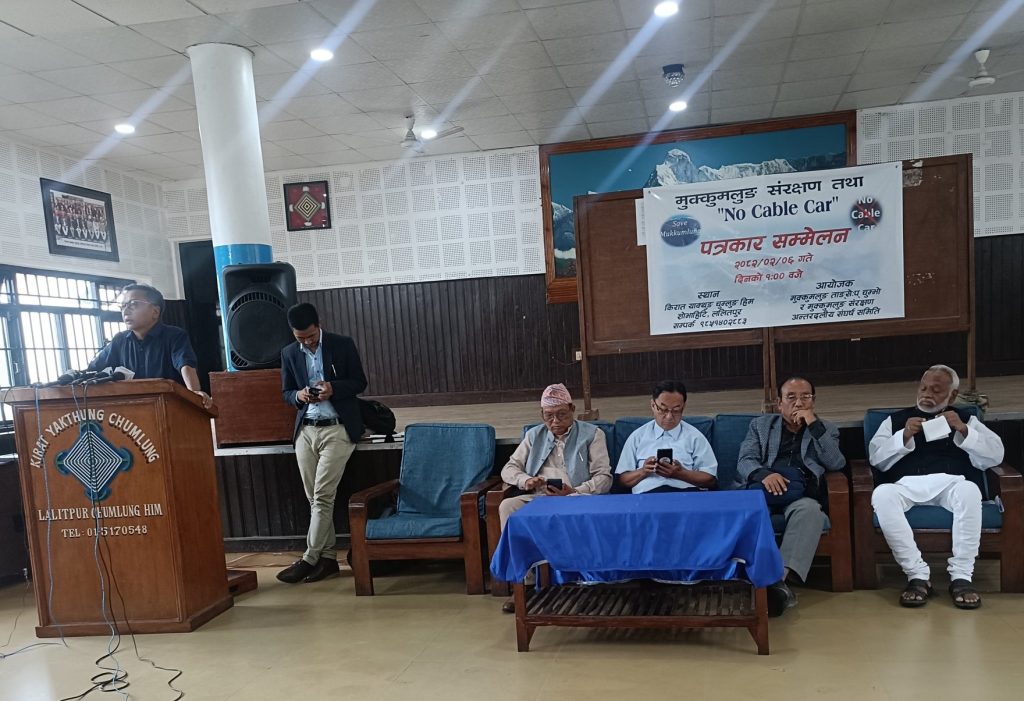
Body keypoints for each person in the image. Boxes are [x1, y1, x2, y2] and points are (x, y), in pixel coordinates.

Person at [868, 364, 1004, 609]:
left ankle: (962, 576)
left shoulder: (965, 418)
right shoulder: (895, 420)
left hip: (951, 485)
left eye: (936, 390)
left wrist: (963, 429)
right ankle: (917, 575)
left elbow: (995, 455)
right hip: (906, 485)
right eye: (923, 388)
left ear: (952, 395)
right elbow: (877, 459)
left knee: (970, 491)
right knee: (882, 494)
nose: (927, 394)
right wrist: (903, 435)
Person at [497, 383, 612, 612]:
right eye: (549, 416)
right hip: (540, 498)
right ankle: (524, 585)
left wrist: (575, 491)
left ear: (572, 409)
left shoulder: (592, 434)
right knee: (508, 506)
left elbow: (604, 477)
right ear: (542, 414)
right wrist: (526, 480)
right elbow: (509, 468)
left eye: (562, 414)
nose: (555, 421)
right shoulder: (534, 435)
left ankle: (586, 583)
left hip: (577, 497)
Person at [737, 377, 846, 617]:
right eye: (791, 397)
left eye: (805, 397)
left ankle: (778, 581)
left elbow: (836, 463)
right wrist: (765, 475)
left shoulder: (826, 429)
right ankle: (756, 579)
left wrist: (813, 426)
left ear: (813, 401)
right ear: (779, 403)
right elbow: (745, 460)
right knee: (749, 512)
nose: (798, 403)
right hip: (763, 491)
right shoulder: (760, 425)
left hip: (800, 495)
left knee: (810, 512)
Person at [277, 303, 367, 584]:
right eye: (300, 338)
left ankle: (309, 557)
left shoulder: (342, 344)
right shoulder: (289, 353)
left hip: (338, 427)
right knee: (314, 499)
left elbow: (359, 382)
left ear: (319, 325)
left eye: (311, 336)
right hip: (306, 430)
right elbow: (286, 392)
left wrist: (333, 388)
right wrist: (299, 396)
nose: (306, 342)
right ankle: (328, 559)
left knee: (323, 496)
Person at [88, 283, 211, 408]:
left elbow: (185, 364)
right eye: (123, 306)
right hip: (131, 411)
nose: (126, 311)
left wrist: (194, 393)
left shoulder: (174, 336)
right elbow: (93, 369)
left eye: (133, 304)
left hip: (169, 407)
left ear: (155, 312)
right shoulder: (119, 340)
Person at [615, 380, 717, 493]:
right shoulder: (637, 436)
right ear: (653, 405)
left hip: (685, 494)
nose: (669, 416)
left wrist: (681, 474)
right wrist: (643, 471)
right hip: (647, 496)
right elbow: (623, 480)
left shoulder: (695, 437)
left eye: (676, 410)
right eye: (663, 409)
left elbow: (710, 479)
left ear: (683, 407)